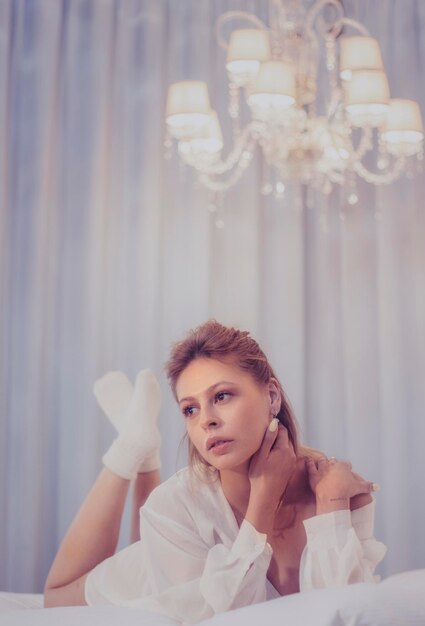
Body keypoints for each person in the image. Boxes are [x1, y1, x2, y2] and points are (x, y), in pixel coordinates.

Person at [44, 320, 386, 624]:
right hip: (160, 568)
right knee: (56, 597)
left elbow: (350, 612)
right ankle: (132, 447)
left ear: (271, 396)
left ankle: (147, 452)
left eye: (222, 396)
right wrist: (263, 500)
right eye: (190, 409)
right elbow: (221, 620)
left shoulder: (332, 488)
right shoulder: (172, 505)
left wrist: (332, 507)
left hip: (179, 558)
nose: (206, 419)